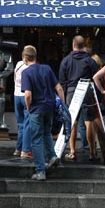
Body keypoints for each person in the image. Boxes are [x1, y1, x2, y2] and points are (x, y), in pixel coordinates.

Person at [21, 45, 65, 181]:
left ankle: (40, 171)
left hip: (36, 107)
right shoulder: (46, 68)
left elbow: (28, 94)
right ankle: (52, 156)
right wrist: (62, 104)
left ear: (24, 58)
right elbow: (58, 87)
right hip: (49, 106)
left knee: (36, 139)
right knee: (47, 133)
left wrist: (29, 108)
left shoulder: (26, 72)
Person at [58, 35, 98, 161]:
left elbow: (62, 81)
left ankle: (72, 151)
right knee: (89, 122)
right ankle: (92, 152)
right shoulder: (90, 61)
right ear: (83, 46)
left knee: (72, 122)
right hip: (86, 89)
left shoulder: (66, 60)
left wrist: (62, 98)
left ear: (73, 45)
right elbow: (95, 77)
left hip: (71, 91)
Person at [13, 49, 32, 158]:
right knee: (27, 124)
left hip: (16, 95)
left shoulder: (19, 64)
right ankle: (25, 150)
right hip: (25, 95)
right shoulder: (29, 68)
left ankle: (18, 148)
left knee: (20, 124)